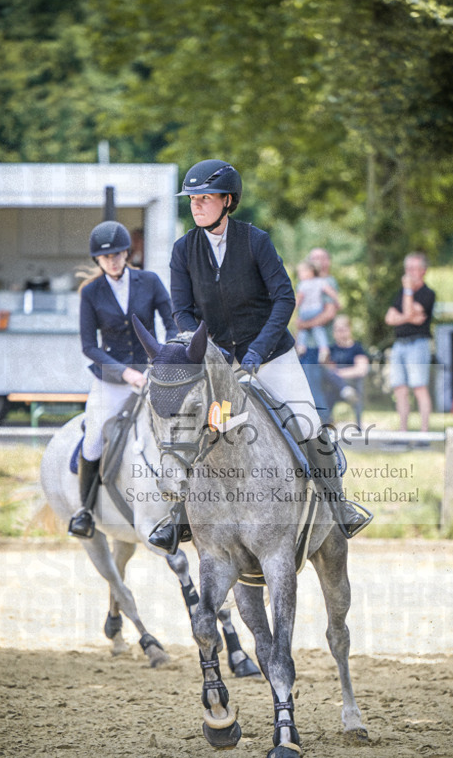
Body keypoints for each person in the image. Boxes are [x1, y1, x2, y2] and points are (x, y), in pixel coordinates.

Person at [151, 158, 371, 549]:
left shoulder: (255, 241)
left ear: (228, 200)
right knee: (195, 432)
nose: (196, 205)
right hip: (217, 363)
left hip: (271, 356)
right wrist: (203, 350)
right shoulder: (183, 250)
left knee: (306, 424)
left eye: (204, 198)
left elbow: (284, 299)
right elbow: (181, 310)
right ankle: (179, 518)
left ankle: (339, 508)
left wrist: (255, 354)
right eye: (192, 199)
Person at [68, 220, 177, 538]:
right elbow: (89, 346)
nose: (113, 260)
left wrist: (168, 354)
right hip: (111, 380)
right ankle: (85, 511)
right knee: (94, 437)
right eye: (106, 257)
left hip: (152, 374)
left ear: (127, 252)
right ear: (98, 261)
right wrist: (124, 372)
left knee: (182, 426)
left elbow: (170, 322)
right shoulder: (91, 292)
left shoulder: (150, 281)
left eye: (117, 254)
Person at [384, 251, 436, 434]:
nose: (410, 272)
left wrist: (407, 292)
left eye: (414, 268)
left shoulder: (427, 294)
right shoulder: (400, 294)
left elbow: (412, 312)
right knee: (400, 389)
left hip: (418, 344)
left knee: (419, 387)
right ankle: (403, 431)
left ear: (423, 271)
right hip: (399, 345)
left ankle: (424, 433)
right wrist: (408, 316)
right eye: (408, 268)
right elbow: (390, 318)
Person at [322, 315, 370, 427]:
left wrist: (339, 374)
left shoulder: (357, 348)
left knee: (331, 379)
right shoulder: (331, 349)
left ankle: (345, 389)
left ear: (349, 329)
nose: (340, 333)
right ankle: (344, 390)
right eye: (337, 330)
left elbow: (361, 369)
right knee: (326, 381)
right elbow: (326, 368)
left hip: (352, 383)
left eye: (342, 329)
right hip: (334, 385)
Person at [294, 257, 340, 361]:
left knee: (303, 329)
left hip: (306, 311)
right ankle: (323, 348)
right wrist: (338, 301)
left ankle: (301, 347)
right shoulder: (321, 282)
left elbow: (299, 298)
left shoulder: (302, 284)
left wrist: (293, 308)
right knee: (318, 329)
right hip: (317, 309)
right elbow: (331, 292)